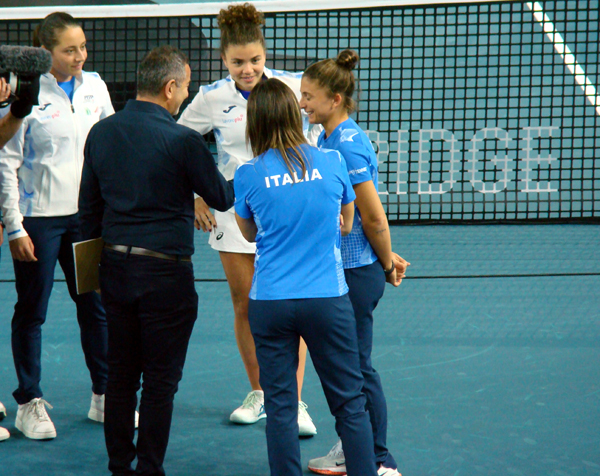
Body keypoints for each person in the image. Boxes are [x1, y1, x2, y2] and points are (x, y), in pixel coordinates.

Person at [79, 45, 235, 476]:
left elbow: (88, 211)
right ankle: (149, 469)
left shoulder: (101, 133)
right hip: (166, 276)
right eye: (184, 88)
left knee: (121, 377)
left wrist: (93, 272)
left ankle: (119, 467)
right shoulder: (183, 140)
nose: (185, 96)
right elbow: (222, 197)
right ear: (170, 87)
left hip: (113, 270)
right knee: (160, 383)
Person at [178, 2, 317, 436]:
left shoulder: (293, 87)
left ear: (264, 54)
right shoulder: (211, 97)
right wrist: (195, 196)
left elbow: (318, 134)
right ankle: (260, 393)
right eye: (238, 62)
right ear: (224, 59)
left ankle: (292, 403)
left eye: (255, 59)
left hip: (288, 213)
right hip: (232, 213)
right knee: (246, 304)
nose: (248, 69)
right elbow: (178, 143)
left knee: (289, 304)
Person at [234, 76, 378, 476]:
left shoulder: (247, 174)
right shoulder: (332, 161)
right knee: (350, 403)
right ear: (293, 116)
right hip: (327, 302)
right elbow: (348, 223)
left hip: (271, 303)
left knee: (280, 408)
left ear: (255, 122)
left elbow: (248, 233)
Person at [0, 12, 115, 440]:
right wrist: (15, 227)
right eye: (70, 50)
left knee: (96, 308)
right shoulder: (24, 94)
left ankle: (104, 396)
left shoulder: (97, 86)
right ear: (45, 53)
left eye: (83, 46)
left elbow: (110, 145)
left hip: (87, 221)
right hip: (39, 224)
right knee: (32, 311)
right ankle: (29, 402)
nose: (80, 56)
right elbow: (7, 163)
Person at [300, 50, 408, 476]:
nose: (303, 103)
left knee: (358, 368)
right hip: (348, 268)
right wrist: (383, 254)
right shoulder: (328, 138)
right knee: (345, 367)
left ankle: (379, 460)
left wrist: (384, 262)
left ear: (337, 99)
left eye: (310, 96)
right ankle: (352, 445)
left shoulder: (345, 144)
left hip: (357, 273)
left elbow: (372, 215)